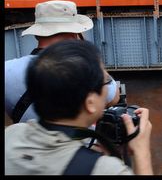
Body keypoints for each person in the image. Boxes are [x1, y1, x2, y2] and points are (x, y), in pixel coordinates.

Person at [5, 40, 153, 175]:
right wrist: (142, 152)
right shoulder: (104, 170)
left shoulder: (12, 134)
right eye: (106, 81)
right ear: (90, 103)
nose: (109, 87)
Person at [5, 0, 120, 124]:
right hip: (78, 142)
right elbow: (114, 98)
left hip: (27, 142)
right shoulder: (87, 70)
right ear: (74, 35)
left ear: (37, 35)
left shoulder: (7, 70)